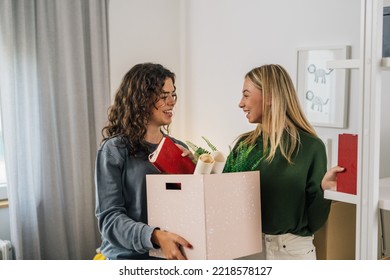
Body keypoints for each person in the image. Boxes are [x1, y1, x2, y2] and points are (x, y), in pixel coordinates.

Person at [223, 64, 344, 260]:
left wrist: (324, 190)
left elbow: (315, 222)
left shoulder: (311, 147)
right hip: (248, 250)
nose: (240, 103)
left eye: (246, 95)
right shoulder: (243, 146)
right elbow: (224, 201)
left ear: (270, 96)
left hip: (293, 253)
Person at [95, 63, 193, 260]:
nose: (171, 102)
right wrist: (155, 236)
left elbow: (190, 207)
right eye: (163, 96)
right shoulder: (115, 149)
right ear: (141, 99)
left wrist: (197, 168)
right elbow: (110, 220)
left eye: (173, 94)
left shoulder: (178, 148)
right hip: (125, 259)